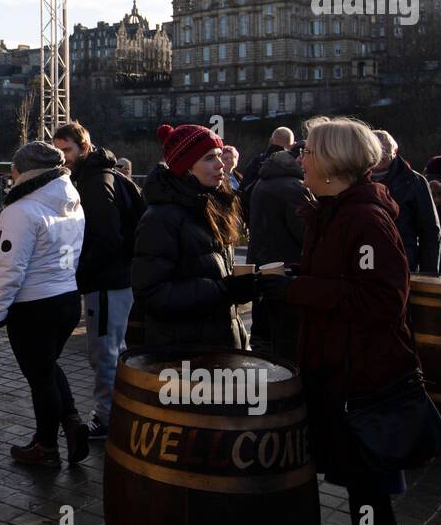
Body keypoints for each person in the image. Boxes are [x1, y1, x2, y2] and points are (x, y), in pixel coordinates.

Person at [267, 116, 420, 525]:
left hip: (365, 379)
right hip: (339, 371)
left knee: (370, 496)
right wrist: (293, 277)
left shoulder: (365, 219)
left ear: (333, 162)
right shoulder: (332, 211)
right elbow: (342, 279)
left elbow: (382, 301)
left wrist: (296, 290)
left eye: (309, 152)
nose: (302, 159)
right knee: (361, 490)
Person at [0, 141, 88, 467]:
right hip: (67, 298)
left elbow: (9, 267)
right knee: (47, 367)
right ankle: (71, 423)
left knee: (40, 377)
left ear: (25, 173)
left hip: (33, 306)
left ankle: (46, 447)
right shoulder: (72, 203)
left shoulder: (20, 211)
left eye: (13, 171)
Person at [53, 120, 145, 440]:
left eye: (66, 150)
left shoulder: (94, 181)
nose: (62, 157)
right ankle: (117, 412)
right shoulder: (98, 176)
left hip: (107, 281)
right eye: (58, 150)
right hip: (113, 278)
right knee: (112, 348)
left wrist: (83, 268)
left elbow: (105, 236)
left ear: (84, 148)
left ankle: (107, 419)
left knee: (105, 350)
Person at [132, 124, 253, 348]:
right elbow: (152, 293)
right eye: (209, 158)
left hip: (216, 344)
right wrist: (224, 290)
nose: (220, 164)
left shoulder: (213, 205)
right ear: (186, 167)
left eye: (219, 155)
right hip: (184, 354)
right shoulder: (162, 218)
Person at [246, 141, 313, 360]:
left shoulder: (263, 182)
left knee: (263, 328)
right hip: (285, 267)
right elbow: (304, 233)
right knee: (283, 335)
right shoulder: (294, 187)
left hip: (261, 260)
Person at [370, 130, 441, 273]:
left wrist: (429, 273)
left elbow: (430, 230)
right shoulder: (351, 179)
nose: (381, 154)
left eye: (385, 149)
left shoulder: (414, 181)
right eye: (375, 148)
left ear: (395, 151)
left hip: (403, 262)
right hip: (364, 262)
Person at [239, 127, 295, 192]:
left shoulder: (257, 162)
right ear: (292, 145)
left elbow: (244, 188)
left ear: (270, 141)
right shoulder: (294, 164)